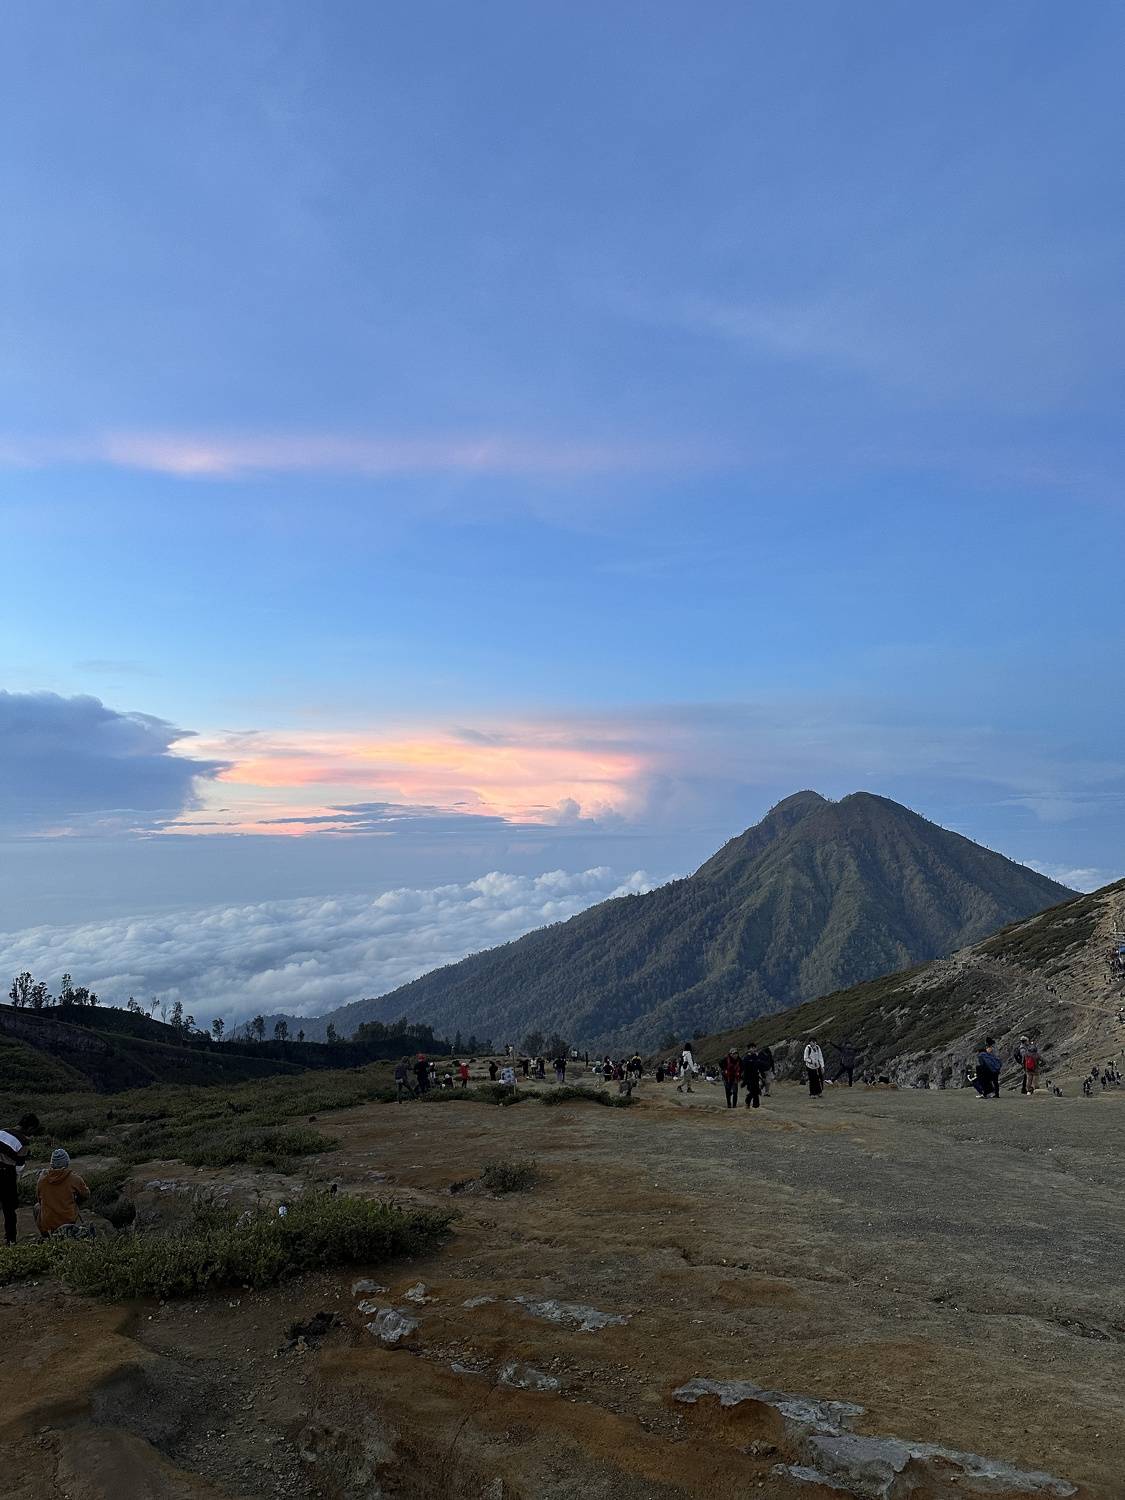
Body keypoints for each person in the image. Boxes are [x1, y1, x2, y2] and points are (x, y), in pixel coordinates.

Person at [35, 1149, 90, 1238]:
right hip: (68, 1220)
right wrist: (76, 1201)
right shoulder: (75, 1179)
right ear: (67, 1163)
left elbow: (39, 1200)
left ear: (52, 1164)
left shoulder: (42, 1180)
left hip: (49, 1222)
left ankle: (46, 1237)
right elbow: (86, 1194)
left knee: (37, 1207)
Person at [0, 1127, 29, 1246]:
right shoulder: (23, 1141)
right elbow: (19, 1168)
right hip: (6, 1173)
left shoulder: (2, 1131)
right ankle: (10, 1239)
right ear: (30, 1128)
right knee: (9, 1209)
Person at [740, 1045, 761, 1109]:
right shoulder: (746, 1058)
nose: (754, 1049)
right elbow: (744, 1070)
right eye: (752, 1048)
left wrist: (762, 1075)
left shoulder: (756, 1057)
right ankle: (755, 1105)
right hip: (749, 1078)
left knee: (756, 1091)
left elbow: (759, 1066)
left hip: (756, 1077)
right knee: (753, 1091)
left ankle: (750, 1102)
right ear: (749, 1049)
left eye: (755, 1048)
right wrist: (744, 1080)